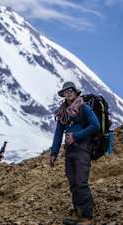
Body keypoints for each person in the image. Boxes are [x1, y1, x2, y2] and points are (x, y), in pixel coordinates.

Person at [47, 82, 100, 225]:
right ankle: (79, 215)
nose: (68, 93)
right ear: (63, 94)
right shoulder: (62, 111)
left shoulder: (84, 107)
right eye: (65, 91)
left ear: (76, 92)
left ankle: (88, 218)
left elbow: (96, 126)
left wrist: (76, 136)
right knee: (73, 184)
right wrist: (54, 153)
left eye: (70, 90)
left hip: (83, 149)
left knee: (81, 182)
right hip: (69, 151)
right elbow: (58, 133)